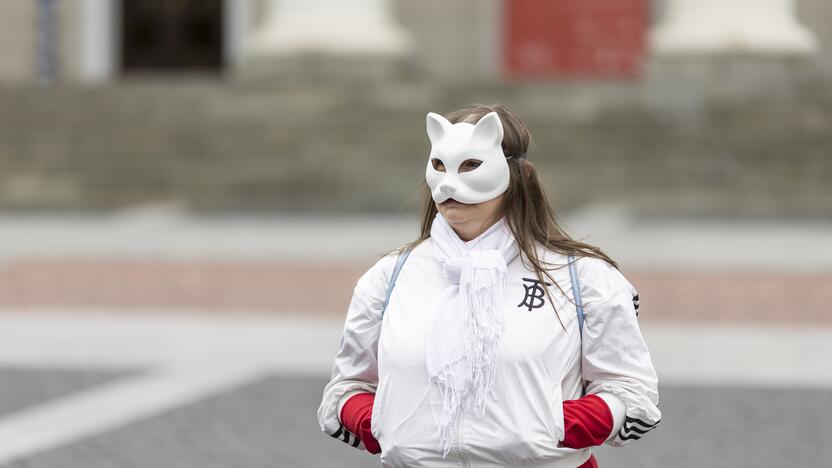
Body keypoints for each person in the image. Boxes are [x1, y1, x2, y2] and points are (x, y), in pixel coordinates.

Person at [317, 104, 661, 468]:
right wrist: (390, 426)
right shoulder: (388, 278)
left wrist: (547, 429)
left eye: (470, 165)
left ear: (515, 173)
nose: (451, 182)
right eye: (440, 166)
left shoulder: (584, 278)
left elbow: (632, 394)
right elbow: (345, 390)